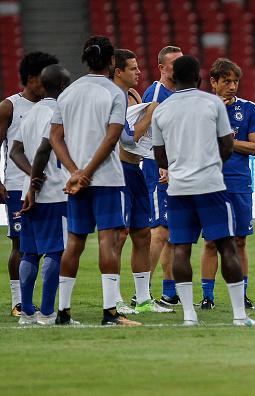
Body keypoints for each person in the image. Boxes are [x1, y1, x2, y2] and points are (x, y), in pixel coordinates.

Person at [152, 55, 255, 326]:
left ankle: (189, 314)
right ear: (200, 78)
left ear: (173, 78)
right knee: (227, 245)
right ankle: (239, 315)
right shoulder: (212, 103)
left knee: (180, 249)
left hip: (178, 189)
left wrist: (179, 166)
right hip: (211, 186)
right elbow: (226, 144)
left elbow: (160, 157)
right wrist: (211, 165)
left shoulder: (162, 110)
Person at [49, 36, 141, 326]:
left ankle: (63, 313)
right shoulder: (114, 93)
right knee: (108, 240)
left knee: (74, 242)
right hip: (106, 178)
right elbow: (113, 135)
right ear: (112, 61)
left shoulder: (68, 92)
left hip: (75, 181)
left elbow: (55, 137)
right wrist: (88, 171)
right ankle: (110, 312)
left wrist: (75, 171)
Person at [8, 64, 70, 325]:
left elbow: (15, 151)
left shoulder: (31, 113)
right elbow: (46, 149)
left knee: (29, 252)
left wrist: (31, 179)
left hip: (28, 192)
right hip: (55, 192)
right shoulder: (59, 112)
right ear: (63, 86)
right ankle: (46, 313)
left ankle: (27, 315)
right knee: (56, 252)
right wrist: (39, 179)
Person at [111, 49, 171, 314]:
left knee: (142, 235)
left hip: (136, 168)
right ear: (118, 72)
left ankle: (143, 298)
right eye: (133, 69)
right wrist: (152, 113)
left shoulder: (133, 95)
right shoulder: (111, 98)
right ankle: (113, 298)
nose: (139, 72)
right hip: (118, 170)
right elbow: (128, 138)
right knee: (118, 235)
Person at [199, 58, 255, 310]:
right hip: (209, 181)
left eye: (236, 81)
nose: (233, 86)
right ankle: (207, 296)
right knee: (211, 241)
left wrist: (223, 140)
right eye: (227, 81)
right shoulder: (202, 108)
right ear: (214, 82)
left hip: (238, 182)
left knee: (240, 241)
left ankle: (242, 294)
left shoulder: (248, 109)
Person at [0, 51, 58, 316]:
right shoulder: (9, 107)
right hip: (17, 185)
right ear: (33, 78)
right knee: (20, 245)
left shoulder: (53, 107)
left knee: (50, 247)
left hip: (51, 188)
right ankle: (19, 302)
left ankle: (42, 303)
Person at [141, 45, 183, 307]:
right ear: (162, 68)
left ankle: (169, 290)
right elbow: (150, 131)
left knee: (170, 229)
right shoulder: (158, 92)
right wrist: (161, 163)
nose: (179, 67)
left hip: (172, 165)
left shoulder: (177, 93)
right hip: (158, 166)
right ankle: (141, 292)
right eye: (174, 63)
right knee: (159, 229)